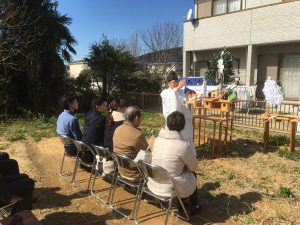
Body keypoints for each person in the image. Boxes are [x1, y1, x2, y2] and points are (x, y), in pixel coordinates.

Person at [147, 111, 200, 214]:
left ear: (167, 124)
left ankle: (178, 203)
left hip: (153, 184)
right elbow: (194, 166)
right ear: (183, 126)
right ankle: (194, 206)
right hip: (169, 188)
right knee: (192, 174)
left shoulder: (157, 140)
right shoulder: (183, 146)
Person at [160, 71, 196, 155]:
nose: (176, 84)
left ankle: (188, 154)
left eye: (177, 82)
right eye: (173, 82)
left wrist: (189, 103)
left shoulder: (180, 91)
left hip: (184, 120)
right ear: (168, 83)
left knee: (186, 135)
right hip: (172, 121)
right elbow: (171, 97)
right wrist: (177, 88)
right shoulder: (165, 93)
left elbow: (184, 102)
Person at [113, 106, 148, 182]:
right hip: (135, 174)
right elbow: (147, 154)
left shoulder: (117, 129)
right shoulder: (138, 135)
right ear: (136, 118)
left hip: (121, 170)